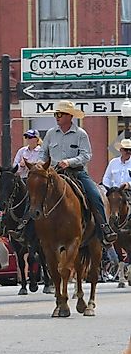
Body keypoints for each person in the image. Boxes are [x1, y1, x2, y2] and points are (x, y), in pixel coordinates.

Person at [39, 100, 116, 245]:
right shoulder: (50, 134)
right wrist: (40, 164)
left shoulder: (81, 134)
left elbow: (86, 155)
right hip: (54, 173)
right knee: (34, 193)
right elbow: (43, 152)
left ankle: (104, 229)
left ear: (69, 116)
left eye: (60, 114)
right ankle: (25, 229)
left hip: (77, 173)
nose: (57, 117)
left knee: (94, 194)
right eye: (56, 114)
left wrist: (69, 162)